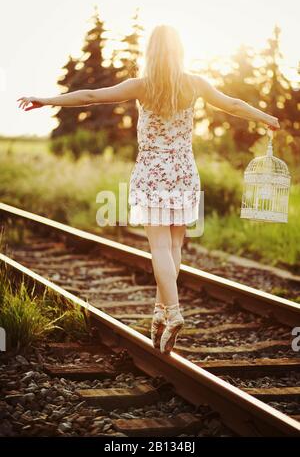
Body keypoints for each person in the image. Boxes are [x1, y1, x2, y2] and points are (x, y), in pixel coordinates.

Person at [17, 24, 280, 355]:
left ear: (150, 52)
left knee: (158, 246)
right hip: (184, 172)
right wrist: (265, 117)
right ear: (180, 50)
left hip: (152, 173)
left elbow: (90, 96)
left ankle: (173, 313)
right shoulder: (195, 84)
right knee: (174, 246)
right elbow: (236, 105)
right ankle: (160, 311)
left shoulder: (141, 86)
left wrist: (46, 100)